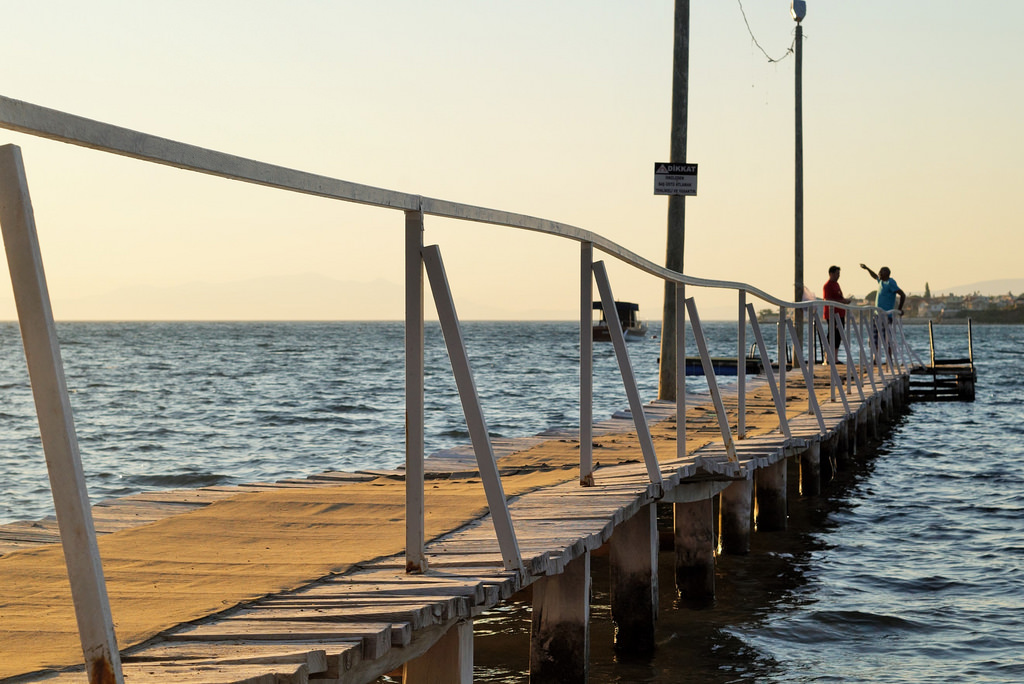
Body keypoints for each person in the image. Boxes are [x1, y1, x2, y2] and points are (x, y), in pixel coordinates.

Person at [822, 265, 851, 354]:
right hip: (832, 314)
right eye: (837, 273)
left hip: (840, 313)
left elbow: (838, 297)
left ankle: (835, 356)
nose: (838, 276)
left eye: (839, 274)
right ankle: (828, 356)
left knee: (839, 335)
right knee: (833, 334)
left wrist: (845, 300)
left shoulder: (836, 284)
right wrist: (842, 301)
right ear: (831, 274)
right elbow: (827, 299)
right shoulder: (827, 286)